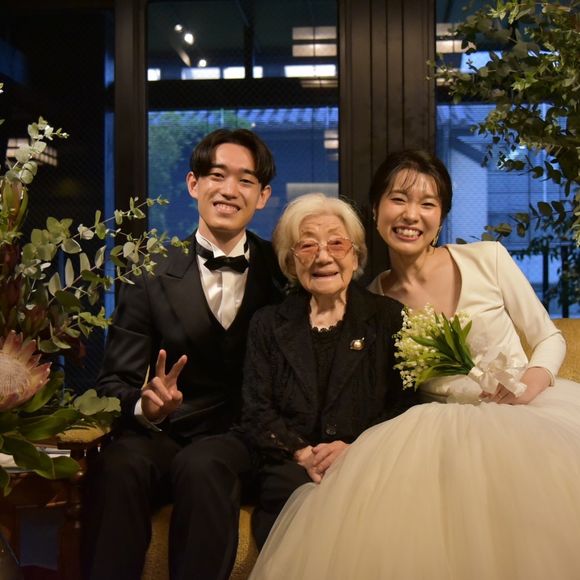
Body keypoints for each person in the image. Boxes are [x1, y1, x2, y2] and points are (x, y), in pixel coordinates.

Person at [249, 150, 580, 580]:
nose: (411, 215)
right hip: (430, 433)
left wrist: (532, 382)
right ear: (375, 210)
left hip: (520, 414)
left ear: (440, 218)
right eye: (398, 199)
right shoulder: (374, 303)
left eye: (428, 203)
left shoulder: (489, 259)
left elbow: (549, 337)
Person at [82, 129, 286, 580]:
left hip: (244, 441)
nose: (229, 190)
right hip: (167, 435)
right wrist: (146, 405)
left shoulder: (283, 272)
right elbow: (112, 384)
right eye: (217, 175)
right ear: (194, 184)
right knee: (117, 466)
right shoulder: (149, 272)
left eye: (245, 180)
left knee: (204, 467)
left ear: (263, 196)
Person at [240, 192, 418, 548]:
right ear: (291, 262)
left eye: (336, 243)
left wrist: (356, 449)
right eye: (307, 245)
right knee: (292, 498)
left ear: (356, 255)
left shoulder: (389, 318)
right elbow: (257, 410)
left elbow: (405, 407)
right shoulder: (268, 323)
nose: (323, 257)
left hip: (368, 462)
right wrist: (304, 454)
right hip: (290, 468)